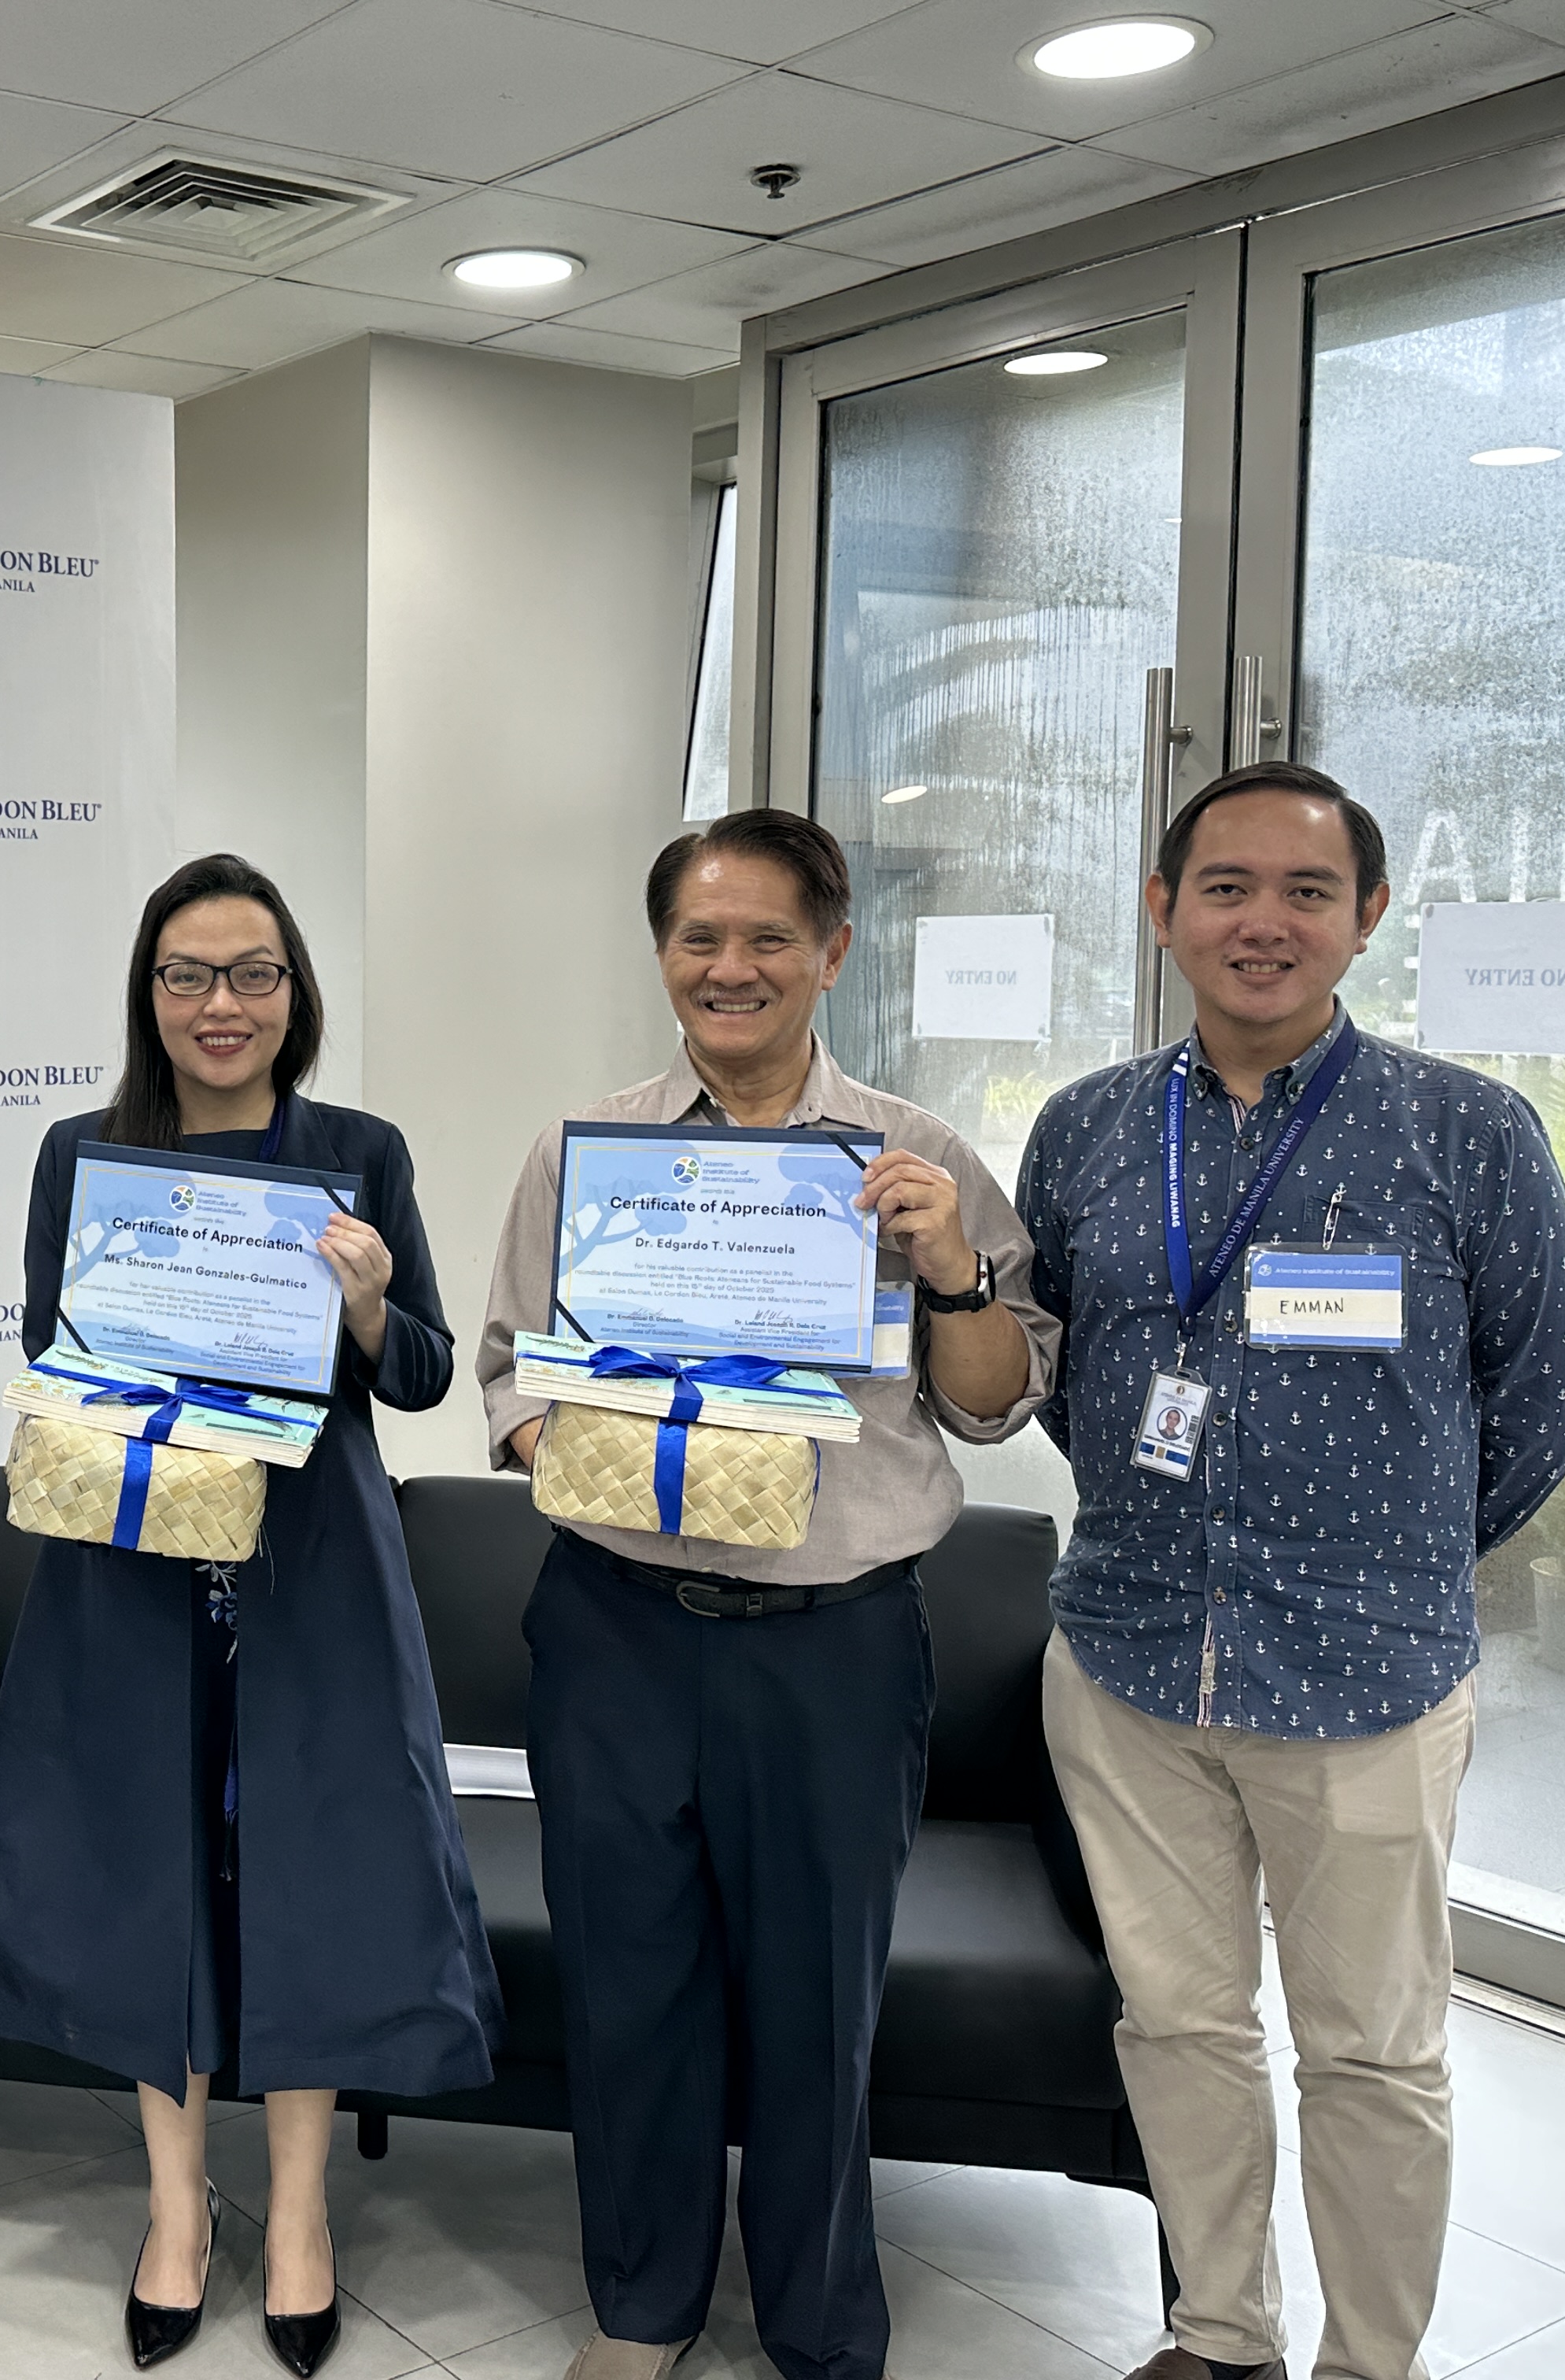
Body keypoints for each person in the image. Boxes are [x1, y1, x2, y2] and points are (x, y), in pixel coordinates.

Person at [1013, 763, 1565, 2380]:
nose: (1262, 922)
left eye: (1306, 892)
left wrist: (1394, 1557)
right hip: (1130, 1656)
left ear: (1366, 920)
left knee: (1372, 2052)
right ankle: (1221, 2331)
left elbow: (1550, 1390)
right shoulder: (1089, 1127)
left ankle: (1369, 2359)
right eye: (1224, 888)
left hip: (1370, 1675)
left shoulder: (1468, 1132)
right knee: (1181, 2025)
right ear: (1162, 910)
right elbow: (1069, 1373)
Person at [476, 808, 1056, 2380]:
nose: (730, 970)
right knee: (628, 1984)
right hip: (615, 1626)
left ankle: (816, 2324)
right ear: (663, 955)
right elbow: (508, 1382)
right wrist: (586, 1446)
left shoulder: (913, 1159)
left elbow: (999, 1402)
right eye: (698, 940)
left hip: (833, 1642)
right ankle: (642, 2304)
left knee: (817, 2002)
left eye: (767, 940)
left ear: (831, 955)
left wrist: (955, 1272)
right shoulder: (585, 1153)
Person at [0, 854, 501, 2379]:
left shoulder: (356, 1152)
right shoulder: (84, 1151)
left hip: (313, 1572)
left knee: (312, 1875)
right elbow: (61, 1347)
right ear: (148, 995)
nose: (221, 1005)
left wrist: (370, 1302)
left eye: (253, 974)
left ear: (296, 994)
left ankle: (299, 2214)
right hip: (129, 1564)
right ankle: (178, 2209)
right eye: (188, 975)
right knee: (146, 1871)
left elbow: (429, 1375)